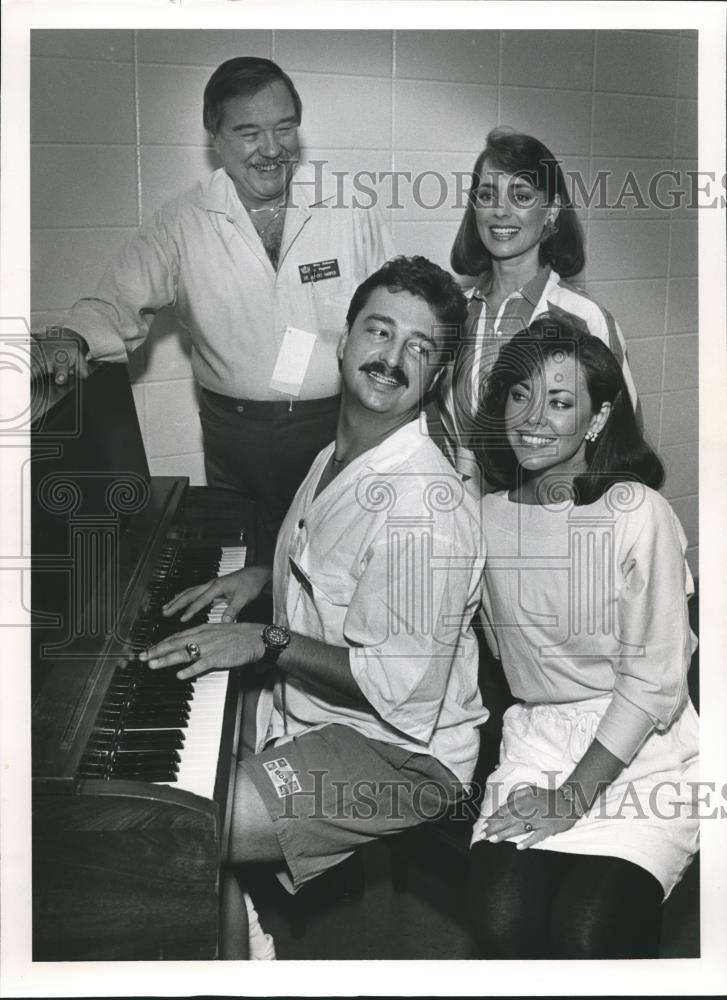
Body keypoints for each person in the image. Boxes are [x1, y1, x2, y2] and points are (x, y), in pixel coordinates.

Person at [139, 256, 488, 958]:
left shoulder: (426, 508)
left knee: (183, 826)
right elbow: (332, 562)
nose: (390, 359)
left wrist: (263, 639)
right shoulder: (335, 454)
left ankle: (240, 950)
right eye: (378, 331)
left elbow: (394, 684)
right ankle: (235, 929)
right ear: (344, 339)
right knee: (149, 780)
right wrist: (261, 576)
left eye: (419, 349)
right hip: (312, 710)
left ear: (438, 375)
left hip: (403, 755)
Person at [34, 56, 394, 560]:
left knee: (332, 569)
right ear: (215, 137)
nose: (272, 150)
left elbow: (395, 309)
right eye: (249, 133)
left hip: (336, 429)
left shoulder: (349, 208)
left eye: (285, 128)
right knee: (242, 570)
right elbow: (115, 302)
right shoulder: (182, 222)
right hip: (236, 440)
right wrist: (72, 339)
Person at [467, 316, 699, 959]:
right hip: (537, 741)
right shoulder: (482, 519)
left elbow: (654, 683)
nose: (533, 417)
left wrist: (572, 797)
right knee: (500, 919)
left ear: (597, 419)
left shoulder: (637, 512)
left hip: (642, 750)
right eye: (520, 394)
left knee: (587, 932)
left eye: (561, 401)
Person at [438, 127, 639, 494]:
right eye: (487, 195)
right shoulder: (453, 314)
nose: (500, 211)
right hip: (466, 515)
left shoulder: (584, 317)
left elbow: (619, 442)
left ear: (552, 210)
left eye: (522, 195)